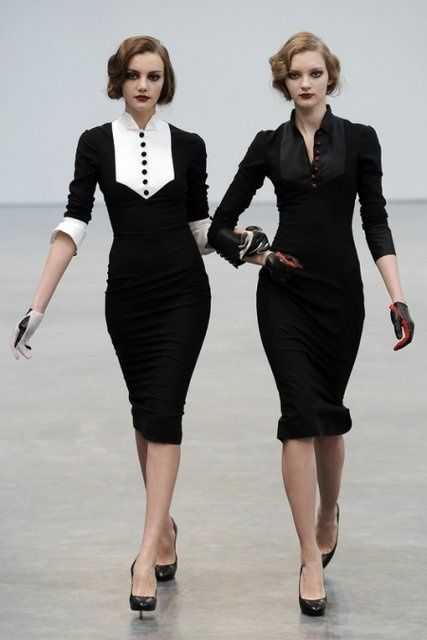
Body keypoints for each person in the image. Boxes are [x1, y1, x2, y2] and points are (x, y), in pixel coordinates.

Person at [208, 32, 414, 616]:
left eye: (314, 73)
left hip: (341, 298)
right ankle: (307, 557)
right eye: (295, 74)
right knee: (298, 416)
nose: (305, 83)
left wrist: (398, 298)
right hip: (284, 294)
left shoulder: (361, 139)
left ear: (330, 78)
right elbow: (221, 225)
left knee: (327, 418)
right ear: (284, 81)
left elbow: (375, 221)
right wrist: (259, 255)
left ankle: (328, 512)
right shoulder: (268, 145)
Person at [10, 35, 216, 615]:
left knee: (165, 411)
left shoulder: (190, 145)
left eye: (154, 76)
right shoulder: (95, 143)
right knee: (145, 412)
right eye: (133, 75)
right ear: (118, 80)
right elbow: (74, 223)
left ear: (165, 82)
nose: (143, 85)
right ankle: (164, 526)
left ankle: (145, 554)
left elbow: (201, 228)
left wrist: (255, 251)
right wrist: (38, 307)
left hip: (184, 295)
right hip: (127, 298)